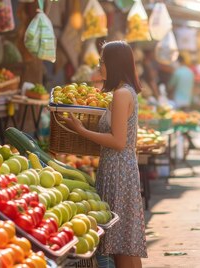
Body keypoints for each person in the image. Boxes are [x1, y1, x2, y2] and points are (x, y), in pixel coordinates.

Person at [61, 41, 147, 267]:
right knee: (124, 243)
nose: (99, 66)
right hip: (120, 167)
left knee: (121, 245)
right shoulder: (124, 91)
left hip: (118, 169)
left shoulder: (121, 94)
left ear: (114, 64)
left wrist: (81, 130)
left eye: (102, 61)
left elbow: (118, 141)